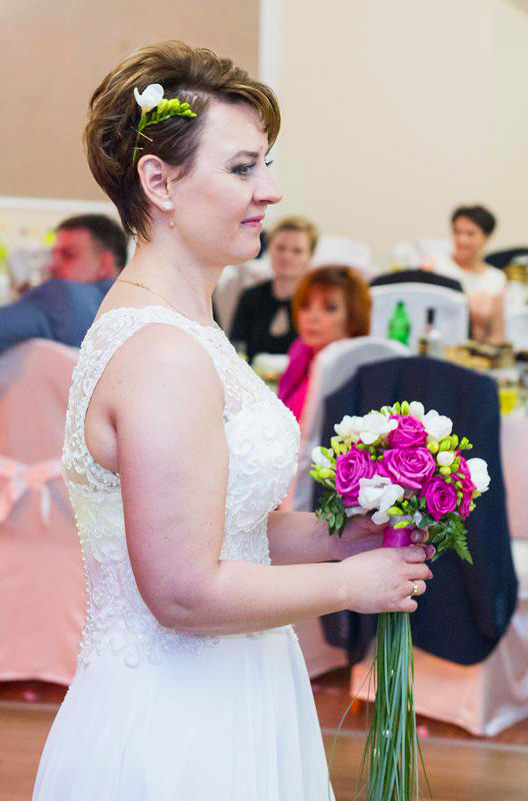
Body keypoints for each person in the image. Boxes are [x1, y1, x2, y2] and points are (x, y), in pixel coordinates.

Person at [32, 41, 433, 801]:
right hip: (178, 722)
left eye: (265, 164)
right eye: (243, 168)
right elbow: (183, 591)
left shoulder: (190, 328)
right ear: (159, 181)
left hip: (239, 691)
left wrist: (338, 535)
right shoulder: (161, 351)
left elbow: (226, 529)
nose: (270, 191)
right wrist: (349, 582)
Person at [0, 215, 127, 354]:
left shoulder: (60, 295)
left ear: (104, 265)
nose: (52, 265)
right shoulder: (135, 306)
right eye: (53, 255)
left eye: (68, 255)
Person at [278, 266, 371, 423]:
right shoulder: (301, 352)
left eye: (329, 308)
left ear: (353, 317)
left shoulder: (352, 374)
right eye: (305, 305)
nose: (312, 317)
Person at [229, 215, 318, 361]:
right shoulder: (251, 297)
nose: (287, 256)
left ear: (310, 256)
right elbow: (236, 348)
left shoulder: (317, 303)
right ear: (269, 250)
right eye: (280, 248)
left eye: (297, 251)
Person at [427, 205, 506, 341]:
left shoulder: (496, 279)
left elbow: (497, 334)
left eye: (470, 234)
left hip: (475, 350)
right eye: (457, 232)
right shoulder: (435, 265)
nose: (461, 240)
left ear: (487, 237)